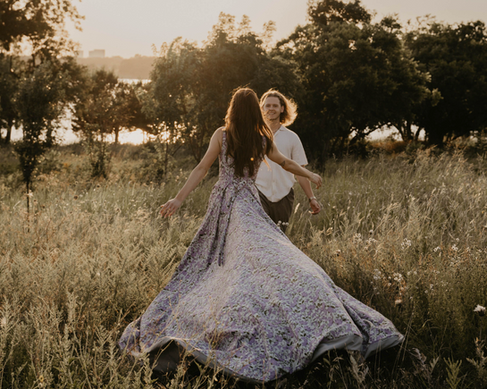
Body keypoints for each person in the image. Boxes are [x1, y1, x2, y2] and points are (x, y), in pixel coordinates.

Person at [118, 88, 403, 384]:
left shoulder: (223, 134)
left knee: (230, 258)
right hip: (248, 201)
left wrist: (178, 199)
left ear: (232, 109)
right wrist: (310, 175)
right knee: (243, 255)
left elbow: (203, 169)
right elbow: (287, 164)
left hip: (226, 202)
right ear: (256, 110)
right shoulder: (262, 137)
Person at [256, 89, 320, 231]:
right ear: (262, 108)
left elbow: (300, 171)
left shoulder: (292, 137)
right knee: (260, 237)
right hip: (258, 194)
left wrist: (311, 198)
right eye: (268, 105)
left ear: (282, 109)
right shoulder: (254, 136)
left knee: (279, 241)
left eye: (275, 106)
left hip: (283, 197)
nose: (271, 109)